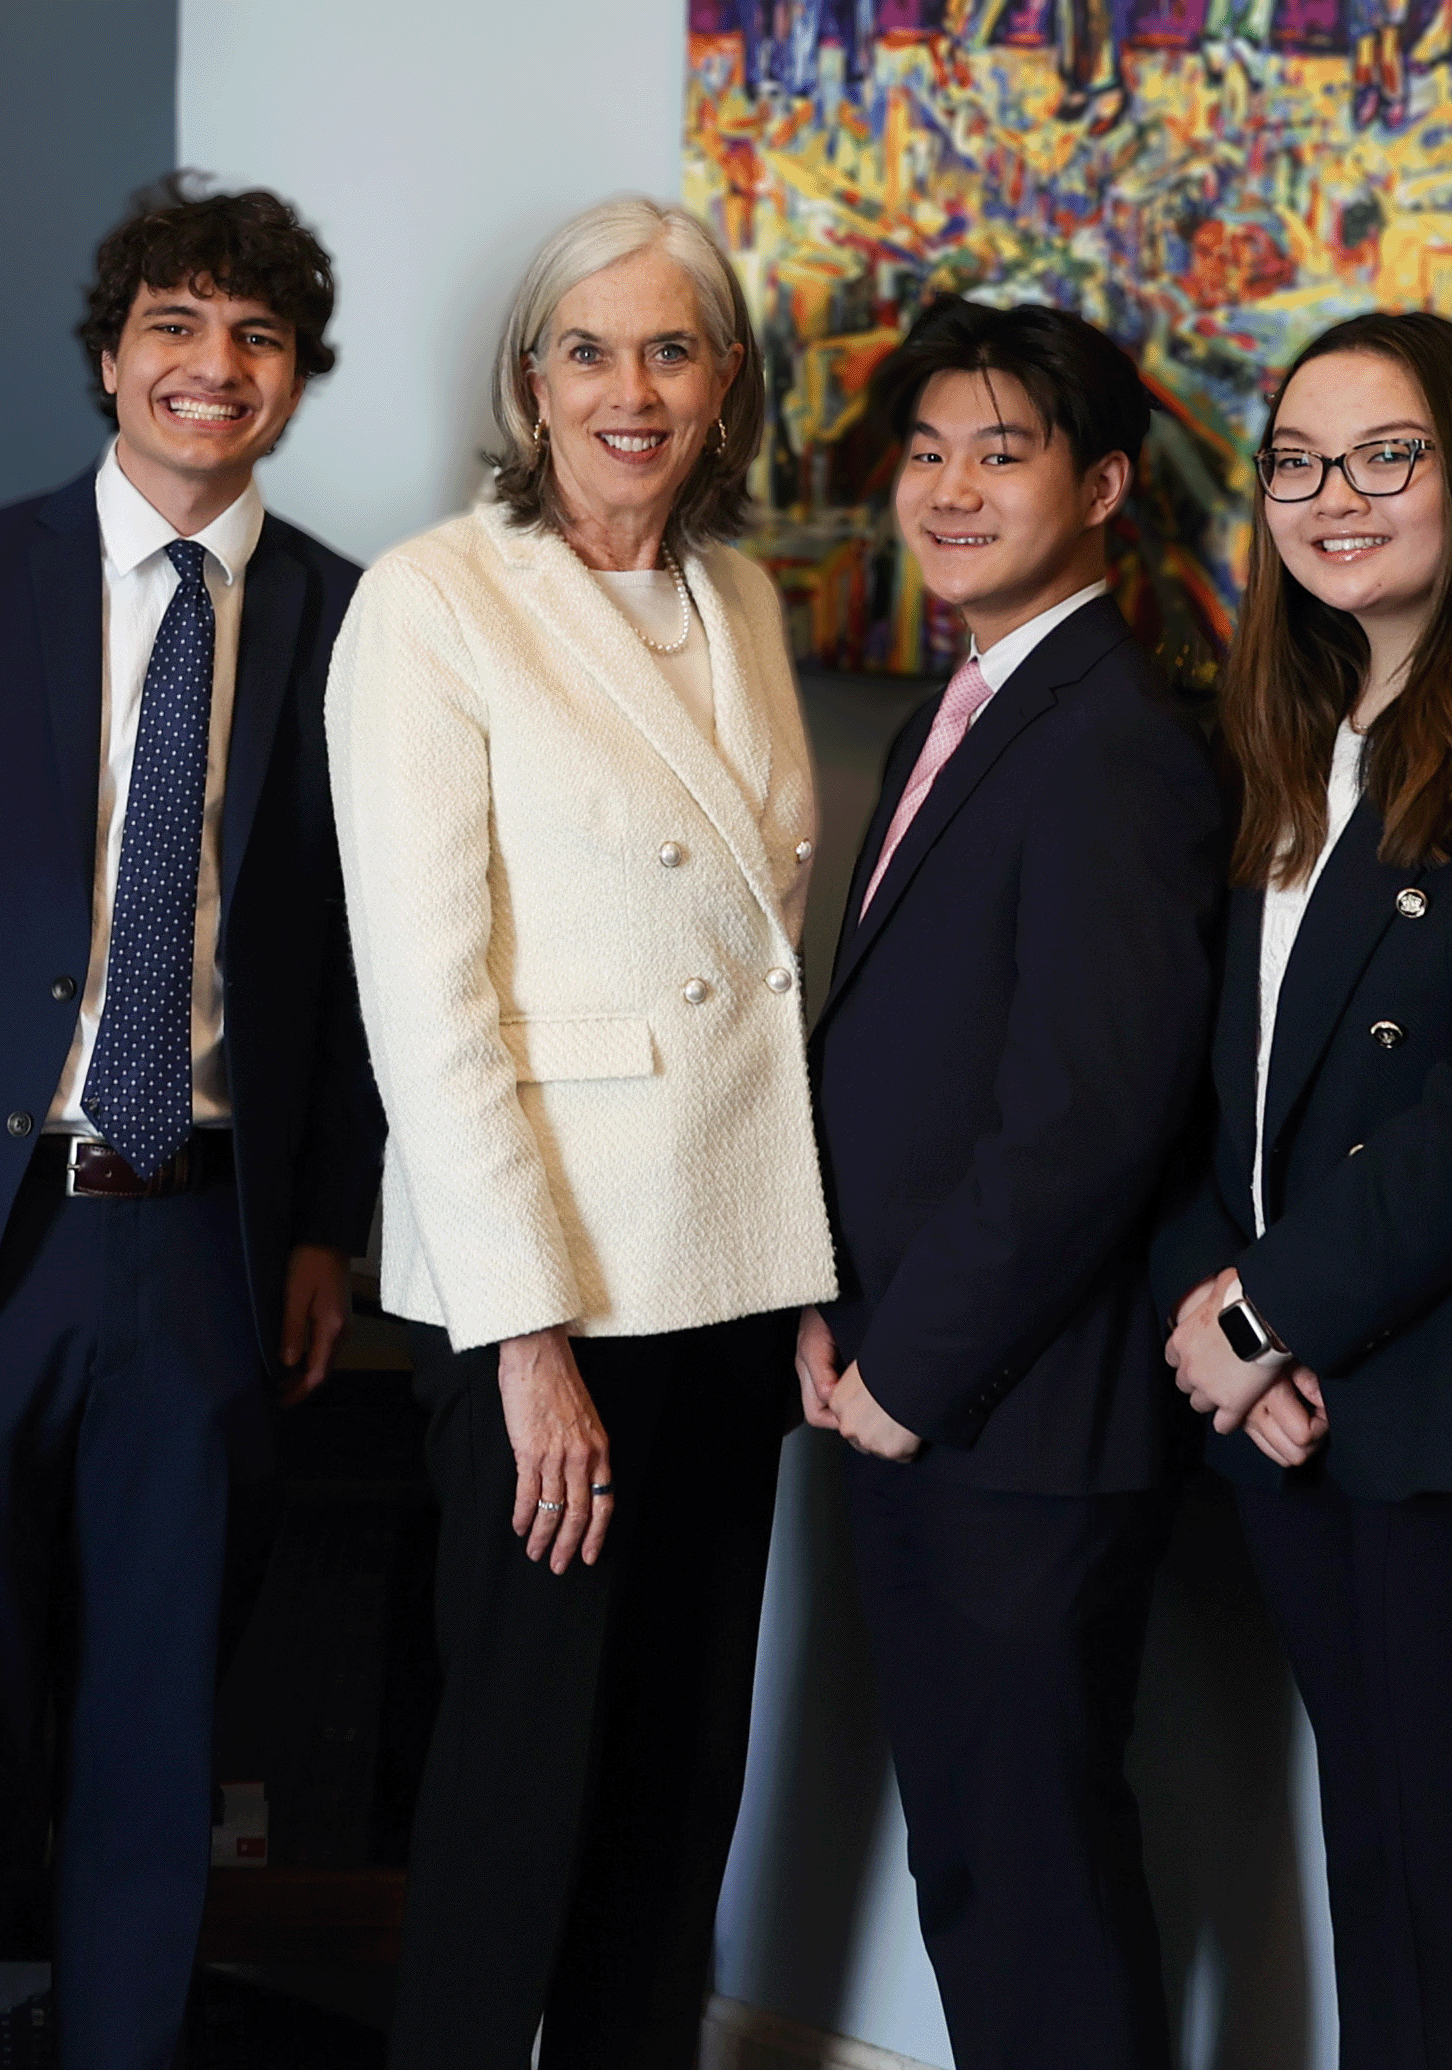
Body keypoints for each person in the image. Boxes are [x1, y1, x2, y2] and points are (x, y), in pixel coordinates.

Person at [0, 178, 386, 2070]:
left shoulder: (354, 619)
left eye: (257, 339)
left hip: (210, 1238)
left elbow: (380, 958)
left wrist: (323, 1227)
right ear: (109, 353)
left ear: (294, 380)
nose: (211, 369)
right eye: (175, 326)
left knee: (159, 1725)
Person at [327, 194, 834, 2070]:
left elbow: (763, 978)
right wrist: (522, 1342)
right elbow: (427, 1004)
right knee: (520, 1787)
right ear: (528, 381)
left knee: (676, 1783)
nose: (632, 389)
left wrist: (797, 1266)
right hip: (552, 1294)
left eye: (673, 349)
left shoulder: (747, 598)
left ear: (724, 387)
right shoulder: (433, 601)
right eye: (589, 350)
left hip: (723, 1274)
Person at [1149, 309, 1452, 2070]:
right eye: (1293, 462)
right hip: (1294, 1419)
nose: (1329, 495)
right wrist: (1220, 1316)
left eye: (1383, 457)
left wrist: (1269, 1313)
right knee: (1386, 1888)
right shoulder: (1283, 715)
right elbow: (1214, 1078)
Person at [794, 296, 1222, 2070]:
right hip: (921, 1391)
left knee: (1023, 1870)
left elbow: (1087, 1111)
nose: (951, 488)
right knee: (977, 1854)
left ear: (1107, 486)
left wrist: (908, 1366)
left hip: (1012, 1419)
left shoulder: (1116, 738)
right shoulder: (955, 709)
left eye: (1005, 452)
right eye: (927, 450)